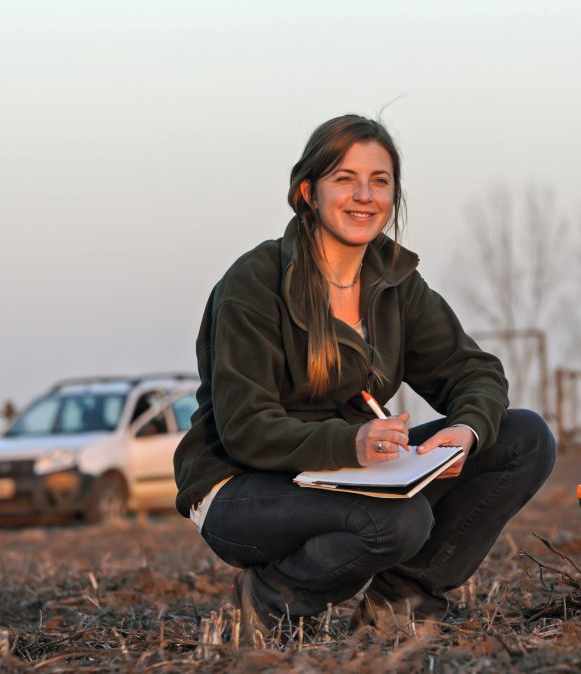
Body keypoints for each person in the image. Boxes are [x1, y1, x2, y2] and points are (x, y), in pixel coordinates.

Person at [172, 114, 556, 641]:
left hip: (351, 472)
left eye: (380, 181)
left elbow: (473, 371)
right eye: (344, 178)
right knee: (400, 521)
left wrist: (465, 430)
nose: (364, 196)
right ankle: (271, 603)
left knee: (524, 437)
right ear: (308, 191)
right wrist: (353, 441)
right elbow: (246, 427)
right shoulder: (254, 283)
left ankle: (399, 605)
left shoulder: (395, 281)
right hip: (241, 486)